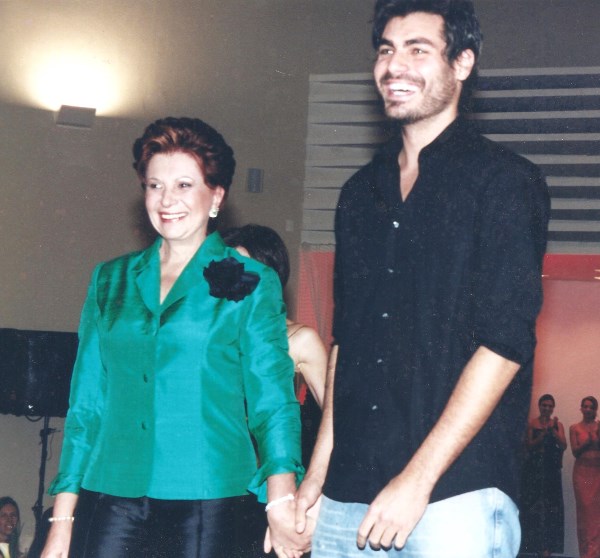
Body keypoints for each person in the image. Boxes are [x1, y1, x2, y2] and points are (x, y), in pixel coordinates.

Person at [294, 1, 550, 557]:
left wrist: (418, 479)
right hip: (346, 494)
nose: (394, 65)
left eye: (417, 49)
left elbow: (505, 345)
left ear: (462, 63)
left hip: (455, 496)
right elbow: (346, 347)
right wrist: (317, 475)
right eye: (386, 50)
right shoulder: (358, 194)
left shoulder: (505, 182)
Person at [41, 117, 307, 558]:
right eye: (155, 186)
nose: (167, 200)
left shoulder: (253, 281)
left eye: (184, 185)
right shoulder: (110, 279)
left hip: (210, 495)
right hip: (112, 494)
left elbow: (272, 402)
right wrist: (62, 521)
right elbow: (86, 406)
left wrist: (280, 499)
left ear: (216, 195)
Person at [222, 224, 327, 558]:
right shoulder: (209, 342)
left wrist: (318, 494)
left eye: (245, 268)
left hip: (270, 494)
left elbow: (343, 426)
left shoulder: (300, 340)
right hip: (213, 487)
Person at [520, 394, 566, 558]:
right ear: (540, 406)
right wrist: (543, 433)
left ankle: (548, 548)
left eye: (550, 406)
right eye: (544, 405)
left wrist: (552, 430)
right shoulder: (532, 424)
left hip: (551, 470)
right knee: (535, 508)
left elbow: (563, 445)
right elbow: (529, 445)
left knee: (552, 508)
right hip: (534, 471)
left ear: (553, 408)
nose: (547, 408)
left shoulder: (558, 425)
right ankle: (536, 547)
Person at [569, 396, 600, 558]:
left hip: (597, 473)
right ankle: (586, 553)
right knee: (584, 514)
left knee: (596, 515)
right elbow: (575, 452)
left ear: (595, 410)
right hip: (582, 475)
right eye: (585, 406)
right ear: (581, 408)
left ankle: (595, 553)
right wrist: (589, 440)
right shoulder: (574, 428)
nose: (587, 409)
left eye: (591, 407)